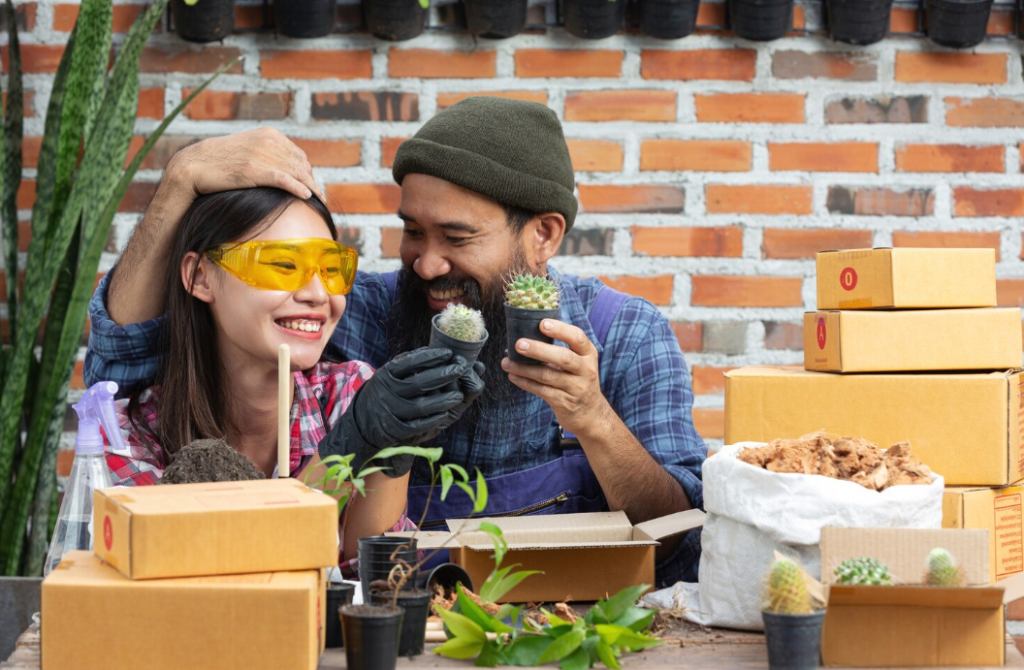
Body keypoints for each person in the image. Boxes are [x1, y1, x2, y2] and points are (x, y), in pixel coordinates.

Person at [87, 97, 707, 585]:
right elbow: (127, 360)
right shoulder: (359, 312)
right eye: (412, 231)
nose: (427, 264)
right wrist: (179, 184)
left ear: (542, 235)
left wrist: (594, 419)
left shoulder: (626, 333)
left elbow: (683, 539)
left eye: (456, 238)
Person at [107, 186, 482, 564]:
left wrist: (396, 450)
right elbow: (219, 579)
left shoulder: (350, 394)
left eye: (332, 269)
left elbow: (377, 582)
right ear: (200, 276)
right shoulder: (130, 433)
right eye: (284, 266)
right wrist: (343, 449)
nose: (318, 293)